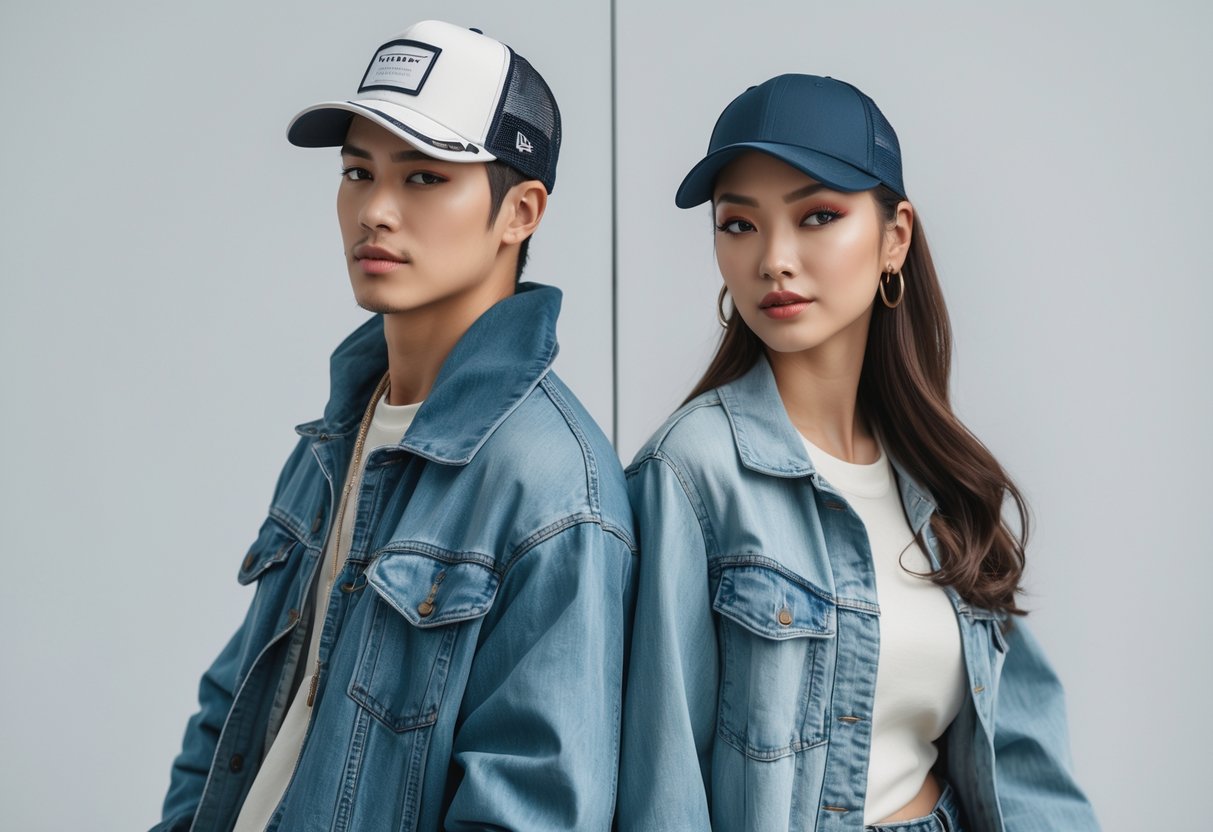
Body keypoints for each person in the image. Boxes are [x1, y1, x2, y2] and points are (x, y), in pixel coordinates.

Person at [153, 20, 635, 832]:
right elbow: (229, 711)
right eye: (357, 172)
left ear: (519, 212)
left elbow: (527, 809)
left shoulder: (554, 490)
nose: (374, 210)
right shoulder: (336, 435)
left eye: (422, 177)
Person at [616, 74, 1099, 831]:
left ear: (893, 237)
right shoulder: (689, 474)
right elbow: (660, 782)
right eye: (739, 224)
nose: (773, 259)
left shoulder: (938, 478)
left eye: (817, 216)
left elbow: (1022, 761)